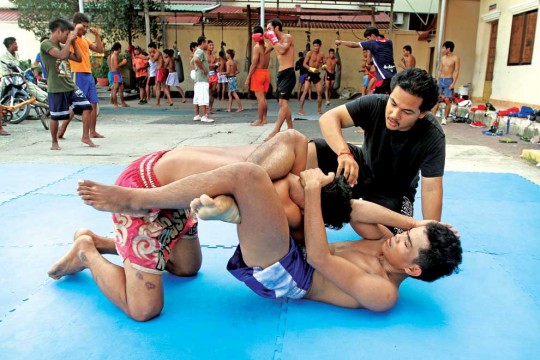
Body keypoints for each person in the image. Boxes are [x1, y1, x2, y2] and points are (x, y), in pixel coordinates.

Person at [71, 152, 461, 315]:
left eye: (406, 243)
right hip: (292, 248)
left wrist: (310, 193)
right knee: (293, 151)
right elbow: (357, 209)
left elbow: (320, 259)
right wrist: (416, 223)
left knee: (249, 176)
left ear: (411, 270)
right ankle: (232, 207)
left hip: (288, 275)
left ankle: (96, 243)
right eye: (404, 234)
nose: (396, 237)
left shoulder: (383, 293)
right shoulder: (382, 241)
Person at [49, 130, 353, 320]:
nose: (309, 176)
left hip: (180, 198)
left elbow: (311, 232)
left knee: (186, 268)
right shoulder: (282, 166)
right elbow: (293, 139)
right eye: (312, 176)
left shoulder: (291, 206)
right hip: (145, 186)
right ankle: (86, 252)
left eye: (314, 183)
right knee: (144, 310)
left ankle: (97, 241)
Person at [307, 68, 443, 234]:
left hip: (394, 191)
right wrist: (344, 153)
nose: (394, 114)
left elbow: (432, 188)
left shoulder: (433, 136)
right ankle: (299, 210)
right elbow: (329, 118)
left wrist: (434, 234)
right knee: (307, 149)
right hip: (360, 169)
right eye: (393, 103)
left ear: (422, 113)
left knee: (391, 241)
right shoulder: (376, 103)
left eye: (406, 112)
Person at [40, 18, 96, 150]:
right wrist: (69, 41)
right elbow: (60, 55)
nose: (67, 37)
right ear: (58, 31)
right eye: (66, 34)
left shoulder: (62, 46)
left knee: (87, 106)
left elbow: (78, 58)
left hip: (70, 85)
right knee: (56, 116)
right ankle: (54, 142)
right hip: (56, 87)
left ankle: (85, 136)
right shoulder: (46, 44)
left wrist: (74, 42)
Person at [68, 13, 104, 139]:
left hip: (88, 74)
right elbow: (71, 36)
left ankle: (92, 132)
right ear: (76, 25)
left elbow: (100, 50)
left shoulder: (84, 39)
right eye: (83, 26)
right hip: (78, 73)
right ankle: (61, 130)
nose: (85, 29)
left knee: (93, 104)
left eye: (86, 27)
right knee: (76, 104)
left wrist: (97, 35)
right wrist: (77, 28)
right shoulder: (72, 37)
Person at [335, 26, 396, 94]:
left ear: (372, 35)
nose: (367, 40)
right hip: (394, 76)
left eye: (368, 38)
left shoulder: (372, 43)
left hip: (383, 77)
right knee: (391, 100)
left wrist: (340, 42)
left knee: (375, 100)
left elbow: (353, 44)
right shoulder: (389, 42)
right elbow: (370, 62)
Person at [263, 18, 295, 141]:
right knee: (283, 104)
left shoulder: (287, 37)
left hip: (288, 73)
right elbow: (265, 52)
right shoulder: (273, 40)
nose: (268, 31)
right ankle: (291, 128)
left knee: (283, 103)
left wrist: (273, 39)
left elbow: (282, 50)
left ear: (277, 28)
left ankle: (275, 131)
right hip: (280, 73)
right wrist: (261, 41)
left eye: (270, 28)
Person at [1, 37, 48, 103]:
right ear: (10, 45)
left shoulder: (16, 54)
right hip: (8, 78)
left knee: (32, 86)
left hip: (17, 78)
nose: (17, 46)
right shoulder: (3, 56)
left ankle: (46, 98)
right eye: (15, 44)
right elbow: (12, 66)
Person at [245, 25, 272, 126]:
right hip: (266, 72)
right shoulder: (268, 45)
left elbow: (254, 64)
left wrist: (248, 78)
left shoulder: (257, 47)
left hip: (258, 73)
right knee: (263, 98)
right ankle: (264, 119)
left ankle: (260, 120)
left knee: (260, 98)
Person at [432, 41, 460, 125]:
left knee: (447, 100)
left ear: (448, 49)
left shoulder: (455, 58)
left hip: (449, 80)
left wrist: (453, 83)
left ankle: (444, 118)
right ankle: (433, 117)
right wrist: (437, 80)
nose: (442, 49)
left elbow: (456, 71)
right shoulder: (443, 58)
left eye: (444, 48)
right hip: (441, 80)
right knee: (436, 98)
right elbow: (440, 69)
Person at [191, 36, 214, 123]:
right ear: (203, 43)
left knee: (197, 97)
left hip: (198, 79)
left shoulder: (197, 51)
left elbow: (192, 62)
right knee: (203, 97)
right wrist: (203, 69)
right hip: (202, 79)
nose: (207, 45)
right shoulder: (200, 51)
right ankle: (204, 116)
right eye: (207, 43)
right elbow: (196, 60)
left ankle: (197, 115)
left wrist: (197, 69)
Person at [298, 39, 324, 116]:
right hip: (309, 73)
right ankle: (301, 110)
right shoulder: (310, 53)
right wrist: (310, 68)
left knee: (319, 92)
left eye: (317, 46)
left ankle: (319, 109)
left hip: (316, 74)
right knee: (305, 91)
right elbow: (304, 64)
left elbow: (323, 63)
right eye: (314, 46)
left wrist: (324, 66)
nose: (316, 47)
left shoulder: (321, 54)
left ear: (320, 46)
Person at [148, 42, 172, 107]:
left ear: (152, 48)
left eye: (149, 48)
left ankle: (157, 103)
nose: (149, 50)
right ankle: (170, 100)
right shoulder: (158, 53)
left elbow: (152, 61)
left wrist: (149, 55)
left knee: (157, 87)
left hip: (159, 70)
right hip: (162, 70)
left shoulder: (157, 52)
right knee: (164, 86)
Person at [108, 42, 129, 108]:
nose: (121, 50)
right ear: (119, 49)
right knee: (115, 88)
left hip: (117, 74)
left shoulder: (115, 55)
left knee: (121, 88)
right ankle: (115, 104)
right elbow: (116, 66)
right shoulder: (114, 55)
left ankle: (123, 103)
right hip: (115, 74)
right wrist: (123, 62)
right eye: (120, 49)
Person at [225, 49, 243, 113]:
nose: (226, 55)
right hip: (233, 78)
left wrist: (221, 73)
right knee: (230, 94)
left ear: (229, 55)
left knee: (233, 93)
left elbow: (228, 72)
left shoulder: (228, 62)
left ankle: (240, 107)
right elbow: (238, 70)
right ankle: (229, 108)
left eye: (226, 53)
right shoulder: (234, 62)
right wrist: (233, 74)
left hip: (230, 78)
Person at [206, 40, 219, 113]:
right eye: (210, 45)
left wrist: (217, 65)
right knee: (205, 91)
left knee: (213, 92)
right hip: (207, 75)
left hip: (213, 75)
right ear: (207, 46)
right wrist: (214, 65)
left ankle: (210, 108)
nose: (212, 46)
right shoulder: (204, 55)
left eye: (212, 45)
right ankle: (205, 108)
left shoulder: (214, 56)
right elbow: (205, 65)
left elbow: (216, 66)